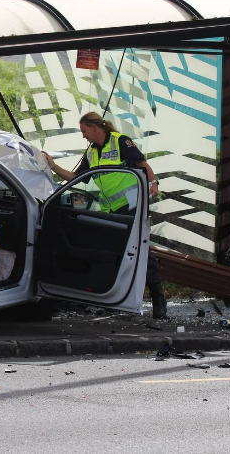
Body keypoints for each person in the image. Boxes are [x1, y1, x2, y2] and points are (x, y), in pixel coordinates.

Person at [42, 111, 167, 319]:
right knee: (119, 250)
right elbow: (75, 177)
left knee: (139, 249)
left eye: (84, 131)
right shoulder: (91, 152)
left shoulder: (120, 141)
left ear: (94, 127)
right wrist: (53, 166)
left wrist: (153, 183)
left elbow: (142, 164)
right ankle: (118, 297)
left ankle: (157, 297)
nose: (83, 136)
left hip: (131, 204)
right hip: (112, 210)